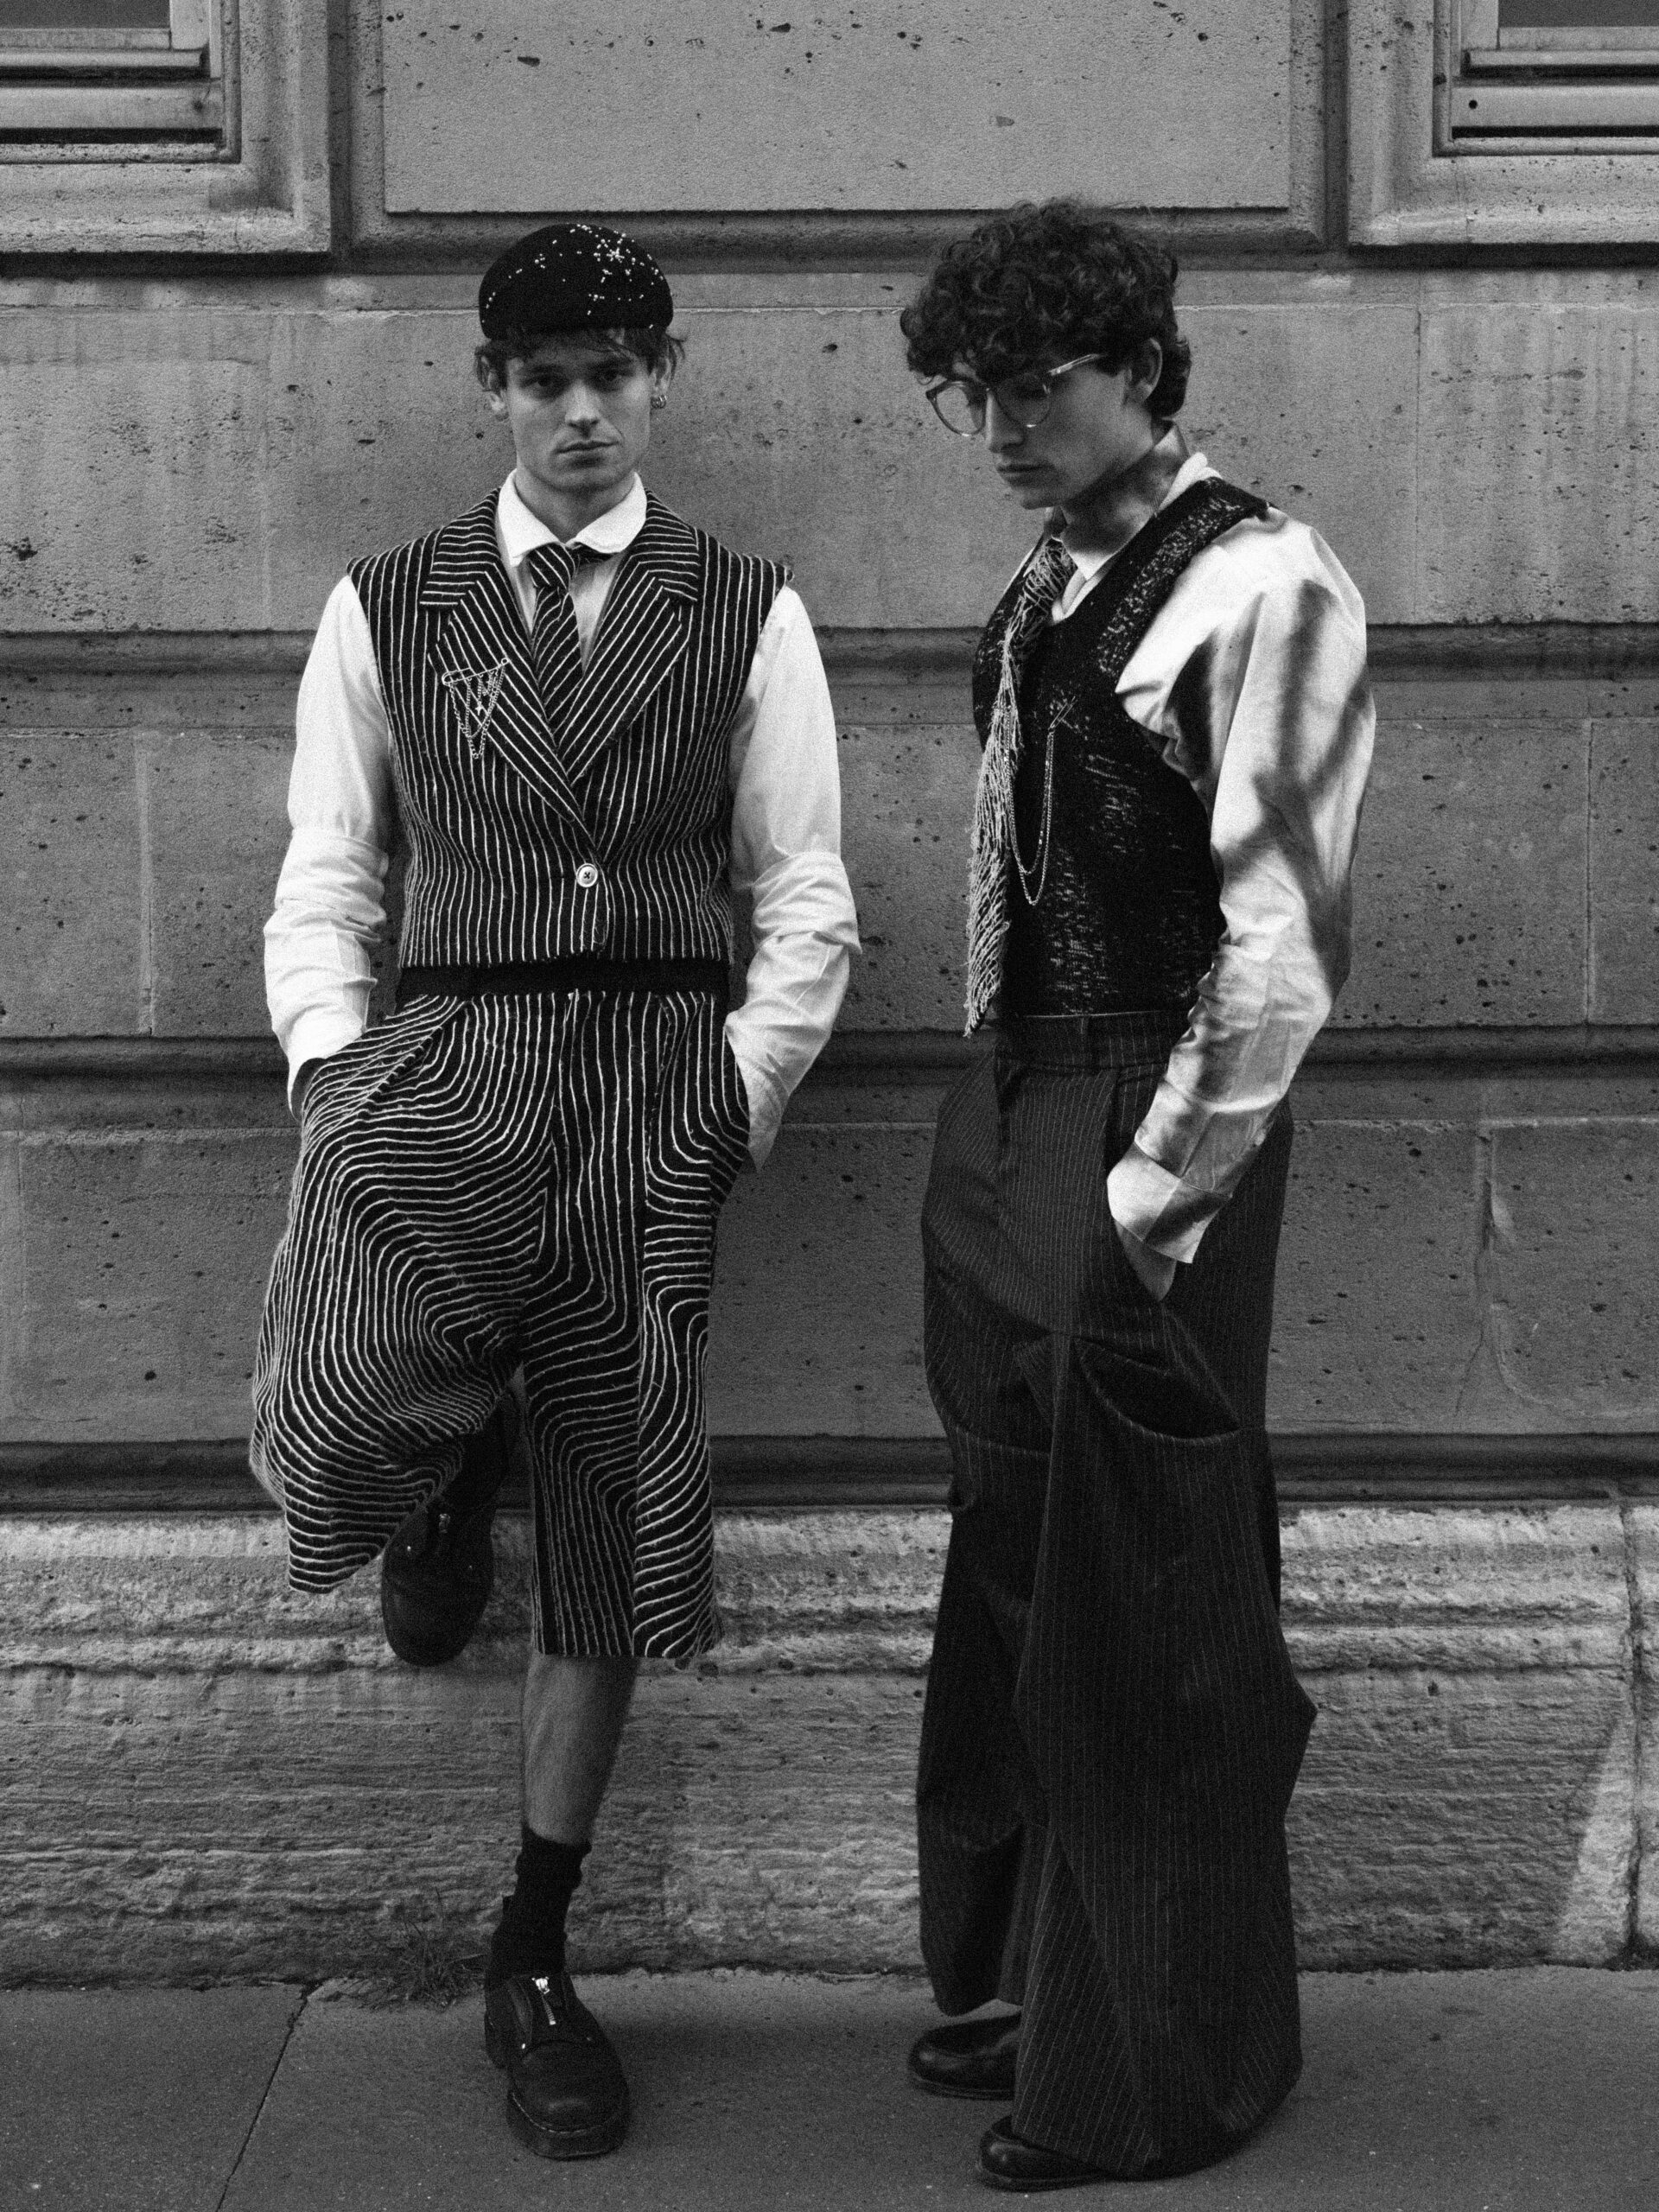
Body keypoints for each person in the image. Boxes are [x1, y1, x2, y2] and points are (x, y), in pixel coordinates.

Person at [250, 221, 859, 2160]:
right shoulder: (390, 604)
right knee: (346, 1391)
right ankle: (442, 1467)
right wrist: (337, 1081)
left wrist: (727, 1104)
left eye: (612, 375)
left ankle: (532, 1949)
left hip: (647, 1091)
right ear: (491, 390)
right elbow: (329, 869)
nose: (581, 411)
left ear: (660, 380)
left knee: (610, 1515)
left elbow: (808, 894)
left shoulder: (745, 607)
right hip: (449, 1060)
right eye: (544, 379)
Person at [898, 201, 1375, 2190]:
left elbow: (1282, 946)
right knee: (1018, 1549)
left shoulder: (1264, 581)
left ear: (1146, 371)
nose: (1006, 427)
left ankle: (1159, 2068)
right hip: (1014, 1097)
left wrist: (1145, 1201)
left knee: (1148, 1580)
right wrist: (998, 1130)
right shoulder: (1049, 574)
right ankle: (1027, 1983)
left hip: (1144, 1113)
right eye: (979, 394)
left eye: (1040, 387)